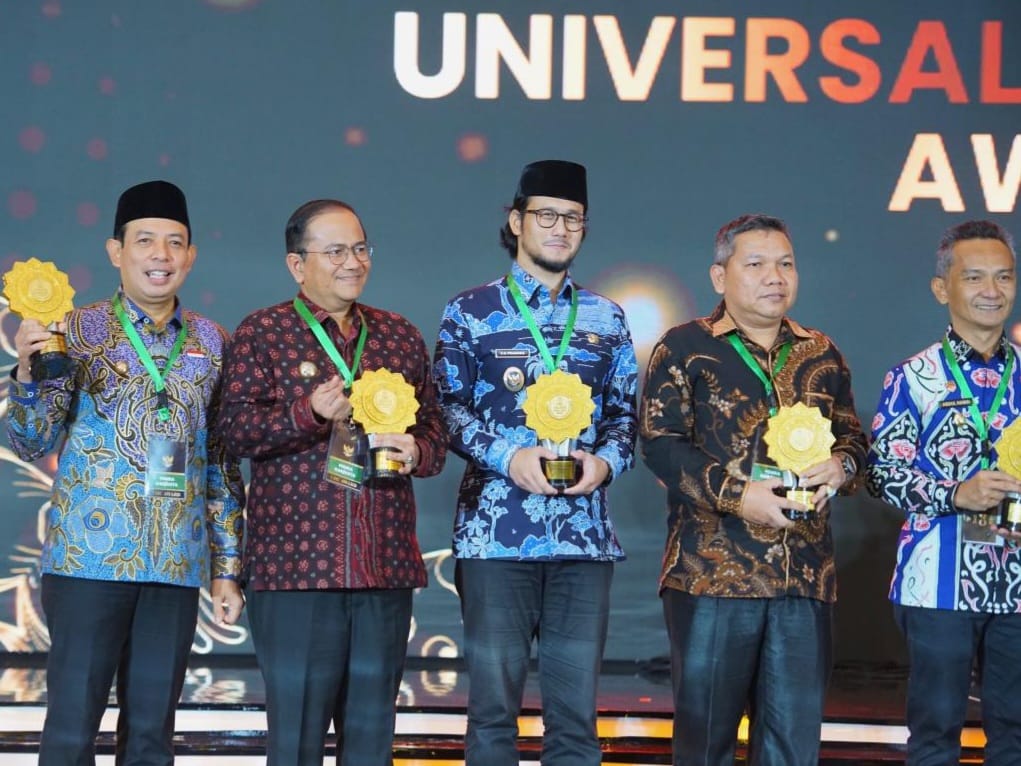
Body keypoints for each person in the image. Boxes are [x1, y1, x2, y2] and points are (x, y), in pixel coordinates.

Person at [6, 180, 245, 764]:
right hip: (88, 563)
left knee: (151, 739)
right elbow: (30, 441)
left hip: (174, 566)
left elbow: (220, 463)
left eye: (174, 242)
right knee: (71, 732)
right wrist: (27, 376)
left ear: (191, 255)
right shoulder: (73, 331)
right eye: (144, 241)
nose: (161, 255)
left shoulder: (214, 342)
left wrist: (227, 568)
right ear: (116, 251)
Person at [217, 199, 447, 766]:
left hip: (382, 569)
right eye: (336, 251)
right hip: (295, 574)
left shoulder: (398, 335)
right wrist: (308, 413)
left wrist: (416, 449)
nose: (353, 262)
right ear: (297, 265)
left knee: (371, 743)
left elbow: (436, 434)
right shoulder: (263, 332)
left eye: (361, 248)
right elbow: (233, 431)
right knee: (295, 742)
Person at [639, 213, 868, 765]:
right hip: (713, 578)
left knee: (792, 749)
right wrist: (741, 498)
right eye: (757, 264)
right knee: (705, 745)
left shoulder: (822, 352)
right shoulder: (685, 347)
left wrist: (842, 466)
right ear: (720, 276)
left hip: (804, 579)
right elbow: (660, 444)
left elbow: (855, 440)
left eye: (786, 264)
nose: (775, 277)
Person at [433, 159, 638, 765]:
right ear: (517, 222)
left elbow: (626, 417)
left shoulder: (606, 317)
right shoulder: (469, 311)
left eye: (573, 218)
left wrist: (605, 465)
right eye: (546, 215)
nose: (560, 228)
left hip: (583, 541)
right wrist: (508, 456)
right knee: (492, 713)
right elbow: (445, 409)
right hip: (495, 538)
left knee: (575, 721)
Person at [866, 219, 1021, 765]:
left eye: (1004, 277)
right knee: (934, 735)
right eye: (974, 277)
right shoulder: (913, 377)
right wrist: (957, 494)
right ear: (942, 288)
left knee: (1016, 737)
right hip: (936, 584)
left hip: (1019, 585)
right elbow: (881, 473)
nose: (992, 290)